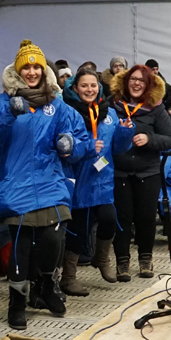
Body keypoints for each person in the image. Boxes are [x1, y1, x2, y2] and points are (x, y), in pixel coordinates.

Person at [0, 40, 90, 328]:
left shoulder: (57, 104)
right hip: (15, 183)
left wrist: (71, 145)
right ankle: (17, 300)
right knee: (22, 243)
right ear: (17, 71)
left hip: (51, 181)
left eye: (36, 67)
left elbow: (81, 140)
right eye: (25, 68)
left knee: (53, 238)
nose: (31, 72)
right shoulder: (1, 102)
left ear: (43, 70)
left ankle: (45, 286)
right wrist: (8, 114)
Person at [61, 69, 127, 292]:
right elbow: (65, 149)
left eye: (93, 85)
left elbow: (118, 148)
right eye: (84, 86)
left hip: (102, 179)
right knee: (78, 229)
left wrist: (126, 133)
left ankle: (102, 258)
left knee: (109, 218)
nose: (89, 89)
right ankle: (68, 277)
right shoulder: (68, 113)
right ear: (75, 88)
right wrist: (88, 147)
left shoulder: (110, 113)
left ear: (99, 87)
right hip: (79, 179)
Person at [108, 64, 171, 282]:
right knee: (122, 218)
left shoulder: (156, 109)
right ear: (126, 82)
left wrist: (149, 139)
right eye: (133, 79)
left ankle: (146, 258)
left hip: (148, 171)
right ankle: (122, 261)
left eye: (141, 81)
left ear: (148, 85)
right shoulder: (113, 105)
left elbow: (169, 139)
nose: (137, 83)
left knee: (146, 217)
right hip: (120, 171)